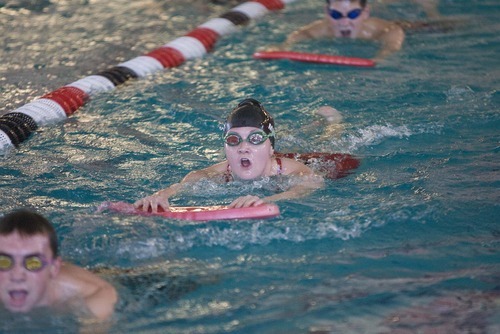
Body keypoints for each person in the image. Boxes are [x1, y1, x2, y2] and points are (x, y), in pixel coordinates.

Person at [134, 98, 324, 213]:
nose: (243, 147)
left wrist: (265, 201)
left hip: (306, 158)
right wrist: (161, 196)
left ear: (271, 147)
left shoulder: (292, 170)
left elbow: (309, 186)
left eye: (255, 139)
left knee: (320, 143)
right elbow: (188, 182)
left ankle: (327, 124)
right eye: (234, 140)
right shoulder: (218, 173)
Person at [0, 209, 117, 321]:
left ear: (54, 269)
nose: (17, 276)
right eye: (4, 262)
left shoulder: (94, 300)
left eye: (33, 263)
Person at [277, 0, 405, 63]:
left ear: (365, 12)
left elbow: (391, 49)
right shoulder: (320, 29)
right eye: (336, 14)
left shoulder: (386, 30)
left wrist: (380, 58)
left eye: (353, 14)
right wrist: (282, 47)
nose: (344, 22)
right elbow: (300, 35)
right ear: (327, 12)